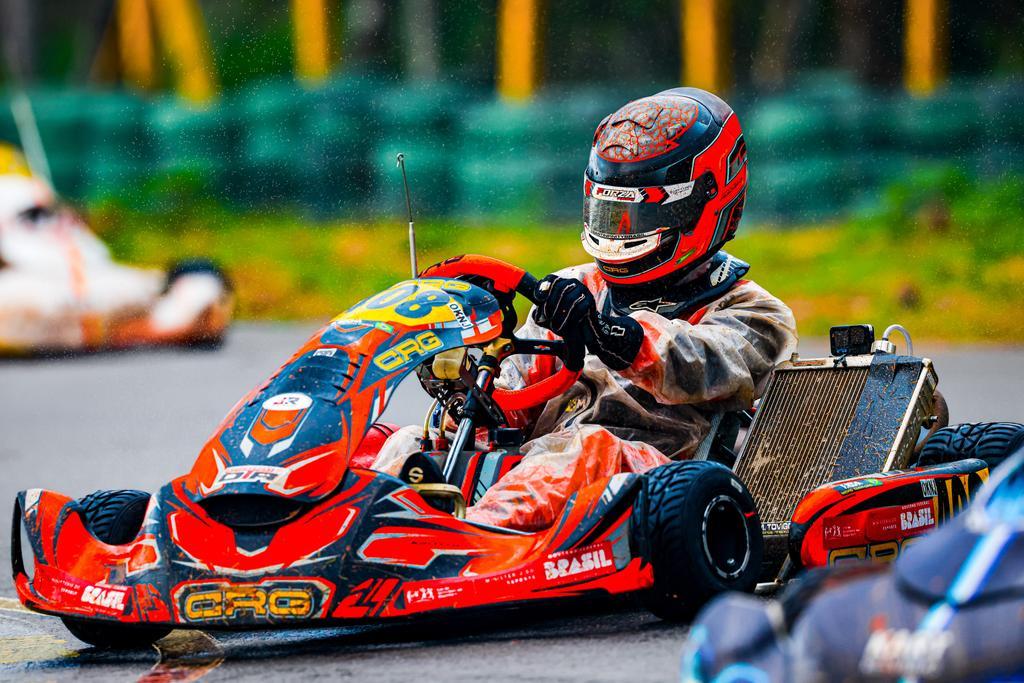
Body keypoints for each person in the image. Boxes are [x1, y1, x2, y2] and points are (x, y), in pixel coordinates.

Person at [374, 88, 798, 530]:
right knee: (409, 444)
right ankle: (372, 543)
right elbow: (514, 396)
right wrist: (467, 389)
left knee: (587, 447)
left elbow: (697, 363)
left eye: (635, 218)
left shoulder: (755, 313)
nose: (618, 232)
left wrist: (611, 333)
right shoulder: (578, 288)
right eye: (608, 214)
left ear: (699, 204)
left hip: (665, 488)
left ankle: (466, 541)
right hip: (545, 471)